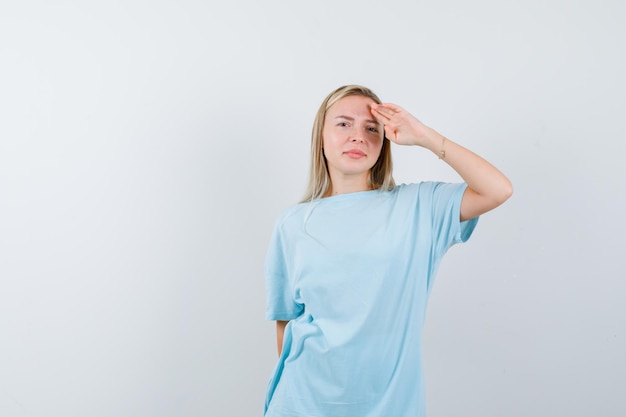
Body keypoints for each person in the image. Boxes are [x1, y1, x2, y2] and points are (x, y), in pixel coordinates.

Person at [263, 85, 512, 417]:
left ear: (385, 142)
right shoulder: (293, 223)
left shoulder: (419, 207)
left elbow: (497, 189)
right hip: (302, 401)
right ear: (320, 137)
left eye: (371, 128)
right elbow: (287, 320)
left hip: (389, 406)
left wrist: (423, 135)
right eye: (343, 124)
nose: (358, 136)